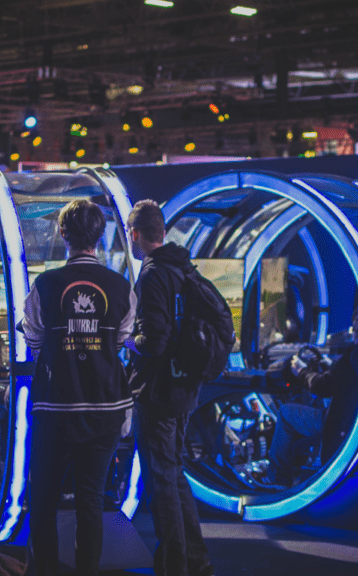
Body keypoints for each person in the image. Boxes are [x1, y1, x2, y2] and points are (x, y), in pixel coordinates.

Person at [22, 199, 136, 576]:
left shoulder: (45, 284)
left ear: (62, 233)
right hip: (105, 410)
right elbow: (120, 342)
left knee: (43, 502)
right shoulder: (121, 286)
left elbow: (35, 342)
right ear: (100, 237)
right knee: (91, 501)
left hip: (55, 410)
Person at [125, 199, 215, 576]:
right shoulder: (183, 268)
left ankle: (175, 565)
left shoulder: (152, 274)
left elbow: (155, 341)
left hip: (159, 394)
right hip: (183, 389)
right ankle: (195, 561)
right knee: (174, 476)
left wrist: (127, 339)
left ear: (135, 234)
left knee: (162, 482)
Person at [265, 308, 358, 488]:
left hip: (339, 422)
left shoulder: (355, 354)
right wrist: (328, 365)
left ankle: (278, 478)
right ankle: (298, 466)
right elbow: (341, 378)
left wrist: (300, 370)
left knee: (286, 412)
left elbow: (322, 386)